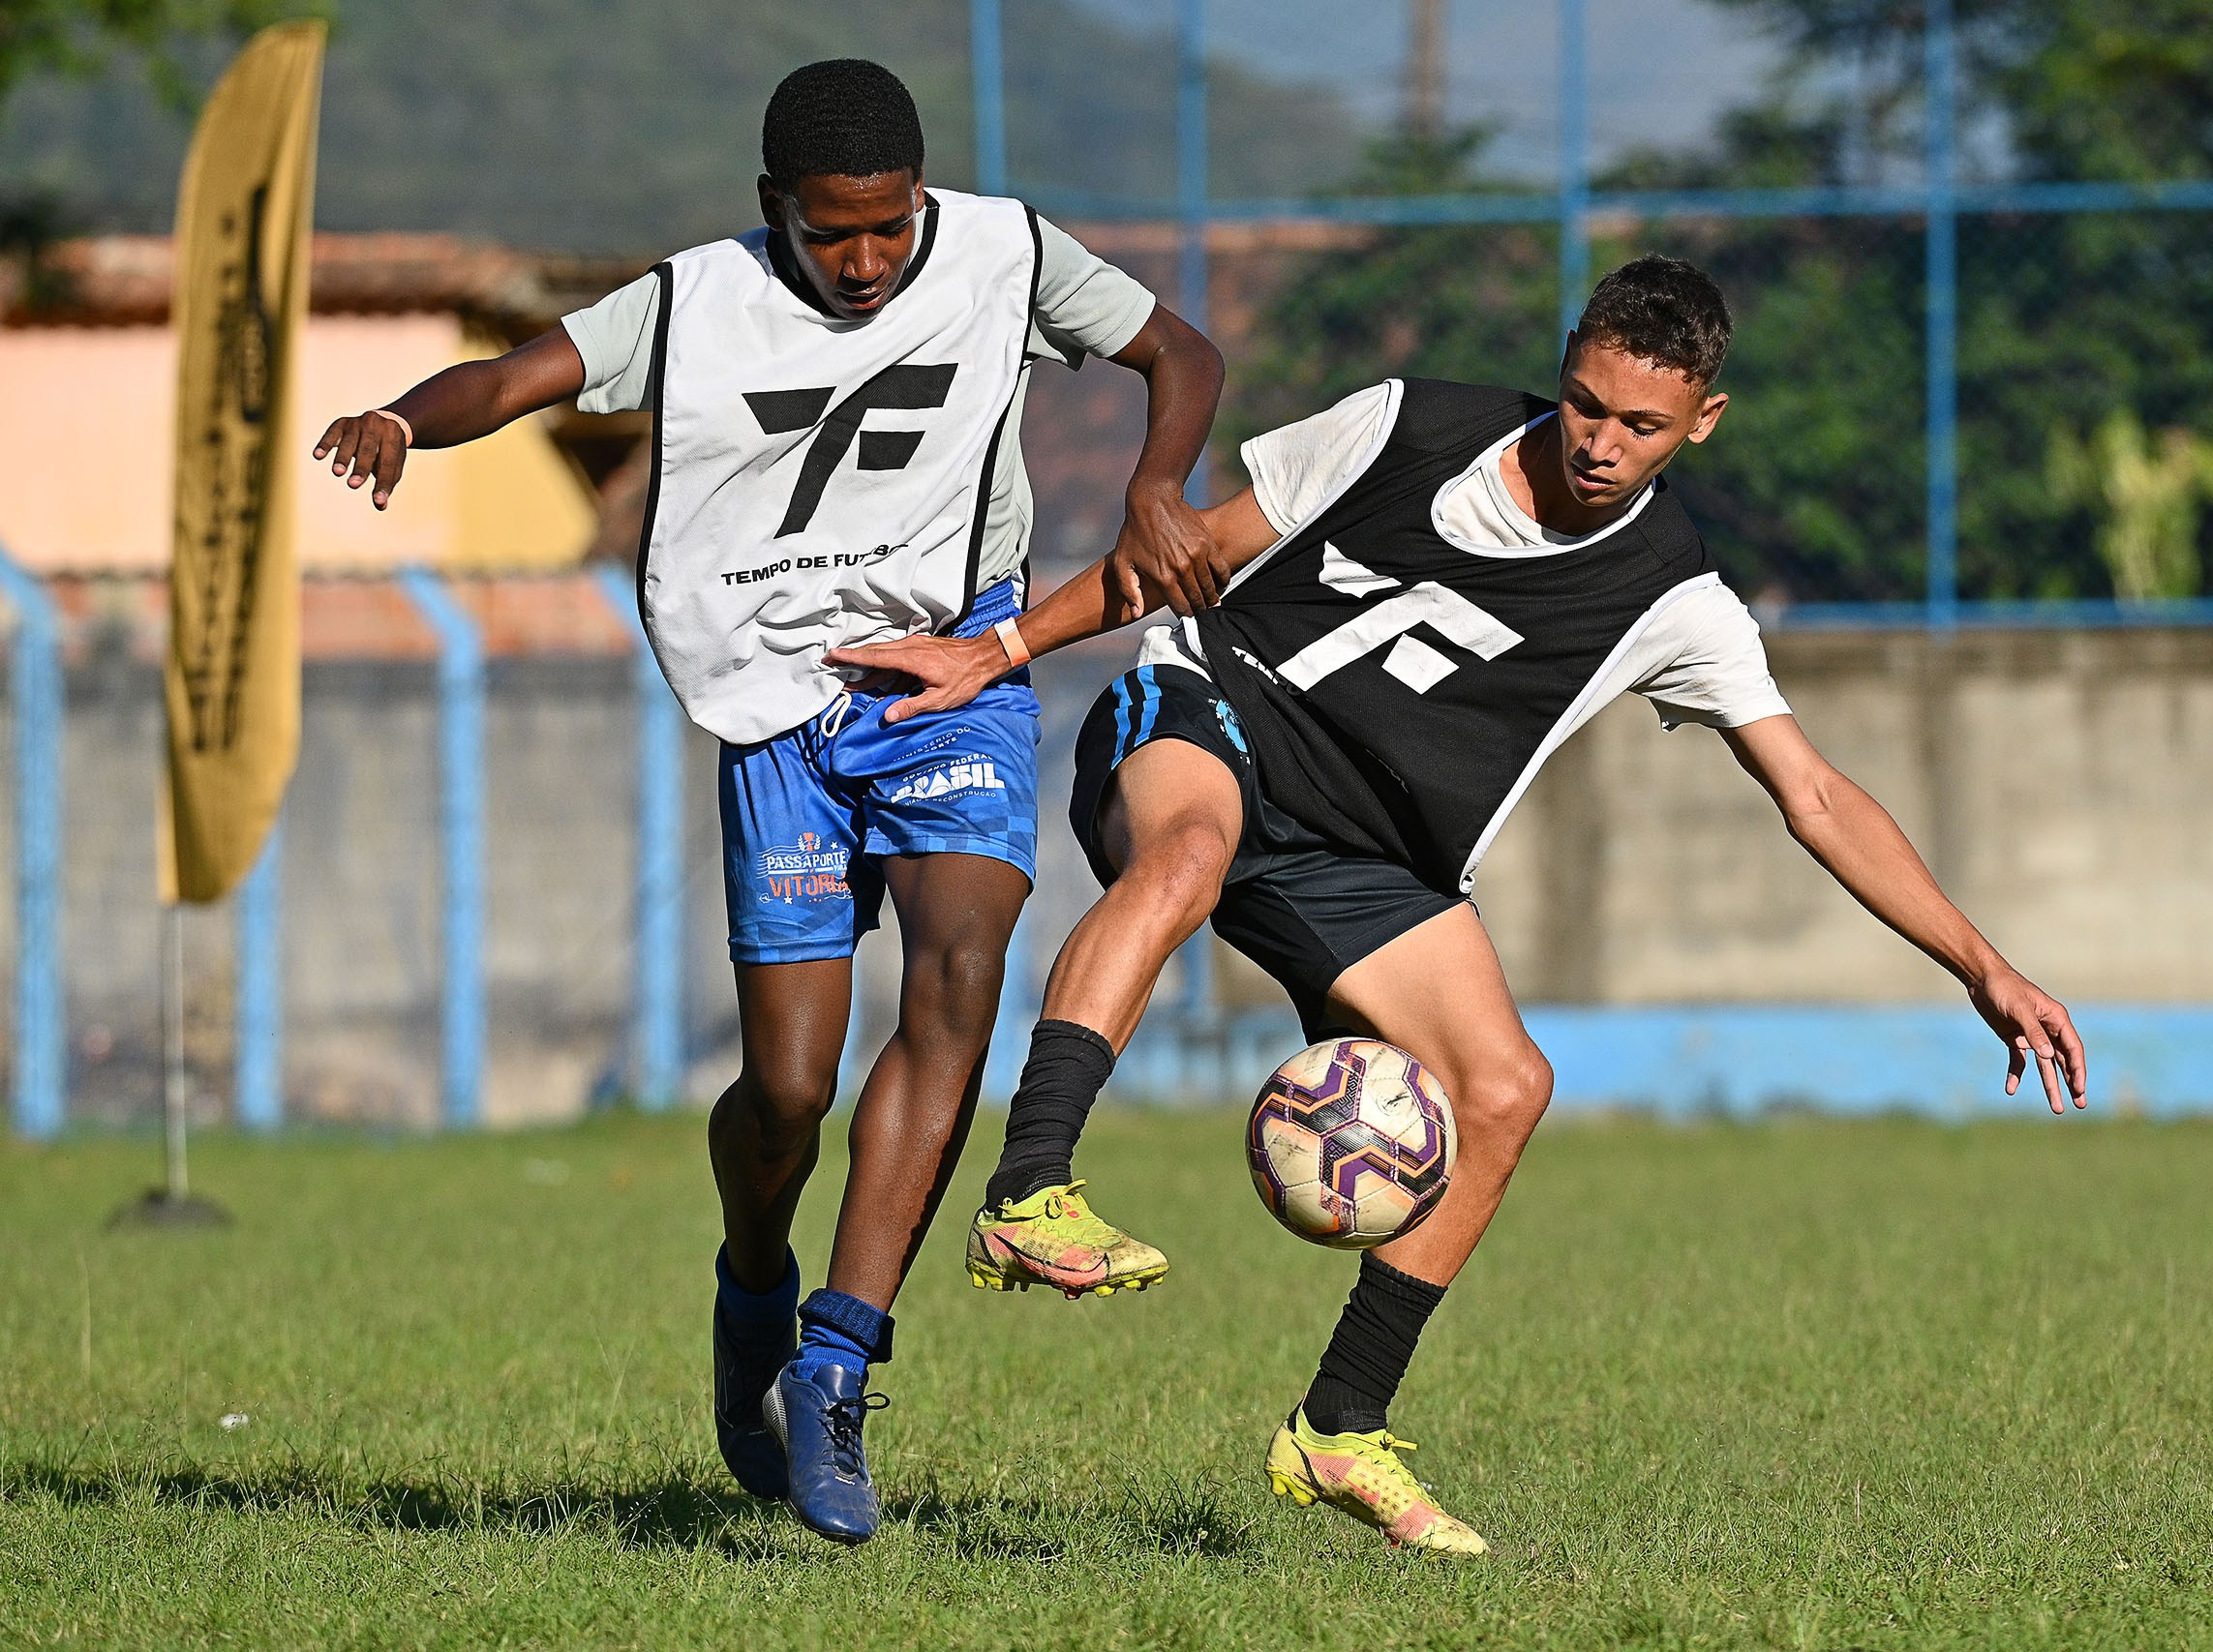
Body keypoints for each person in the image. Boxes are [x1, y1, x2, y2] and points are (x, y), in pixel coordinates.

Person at [833, 254, 2088, 1556]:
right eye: (1586, 402)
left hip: (1368, 848)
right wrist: (999, 652)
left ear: (1703, 420)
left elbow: (1815, 796)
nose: (1601, 442)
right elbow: (1189, 555)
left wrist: (1980, 966)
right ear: (1566, 368)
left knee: (1504, 1088)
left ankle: (1339, 1430)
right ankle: (1031, 1187)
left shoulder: (1676, 598)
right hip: (1214, 708)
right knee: (1190, 853)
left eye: (1641, 424)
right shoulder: (1407, 427)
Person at [311, 59, 1226, 1546]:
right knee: (790, 1088)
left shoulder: (1011, 252)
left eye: (887, 228)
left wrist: (1155, 490)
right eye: (830, 235)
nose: (864, 262)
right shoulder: (696, 298)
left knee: (959, 966)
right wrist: (411, 418)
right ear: (772, 213)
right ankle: (755, 1278)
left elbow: (1179, 353)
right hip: (777, 705)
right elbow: (517, 373)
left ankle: (841, 1357)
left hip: (953, 670)